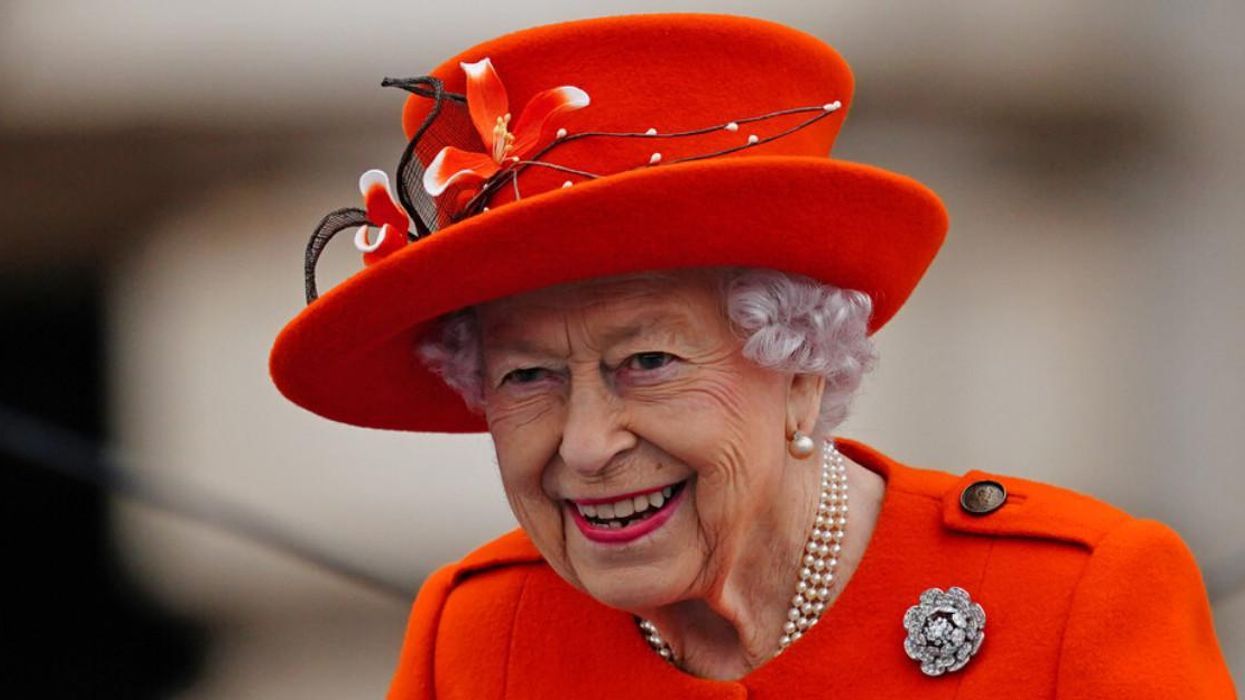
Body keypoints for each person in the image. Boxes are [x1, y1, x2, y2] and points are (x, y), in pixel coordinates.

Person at [269, 13, 1235, 699]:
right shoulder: (478, 635)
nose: (588, 444)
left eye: (644, 361)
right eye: (528, 376)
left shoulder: (1073, 599)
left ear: (802, 368)